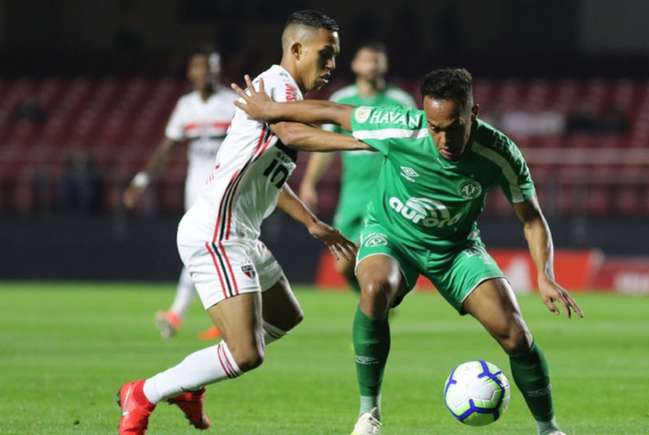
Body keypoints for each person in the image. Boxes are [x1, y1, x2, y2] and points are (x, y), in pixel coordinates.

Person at [233, 67, 583, 435]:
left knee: (515, 334)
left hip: (455, 249)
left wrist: (545, 277)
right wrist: (269, 110)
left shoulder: (499, 153)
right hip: (391, 235)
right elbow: (336, 113)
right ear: (424, 116)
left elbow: (531, 218)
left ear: (473, 114)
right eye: (435, 127)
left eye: (453, 126)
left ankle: (549, 428)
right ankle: (369, 413)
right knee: (373, 289)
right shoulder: (400, 125)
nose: (443, 138)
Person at [117, 10, 370, 434]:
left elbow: (271, 176)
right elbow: (292, 135)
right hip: (217, 232)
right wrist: (364, 142)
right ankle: (144, 393)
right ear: (296, 49)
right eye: (325, 55)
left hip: (241, 234)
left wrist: (311, 222)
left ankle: (191, 383)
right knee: (247, 354)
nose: (331, 66)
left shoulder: (284, 96)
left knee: (286, 316)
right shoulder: (273, 86)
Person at [123, 46, 236, 341]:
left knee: (214, 248)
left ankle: (180, 313)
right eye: (199, 67)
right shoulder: (186, 106)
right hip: (196, 187)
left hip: (227, 185)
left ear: (218, 71)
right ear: (190, 72)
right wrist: (142, 179)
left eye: (210, 67)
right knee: (207, 249)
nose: (204, 73)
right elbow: (167, 147)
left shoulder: (233, 103)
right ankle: (224, 317)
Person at [299, 41, 415, 292]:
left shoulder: (399, 100)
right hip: (352, 194)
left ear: (384, 65)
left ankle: (380, 297)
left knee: (381, 256)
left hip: (388, 193)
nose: (371, 65)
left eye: (376, 60)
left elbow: (414, 147)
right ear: (354, 65)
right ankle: (375, 296)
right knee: (343, 265)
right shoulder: (342, 99)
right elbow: (325, 146)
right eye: (366, 59)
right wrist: (309, 183)